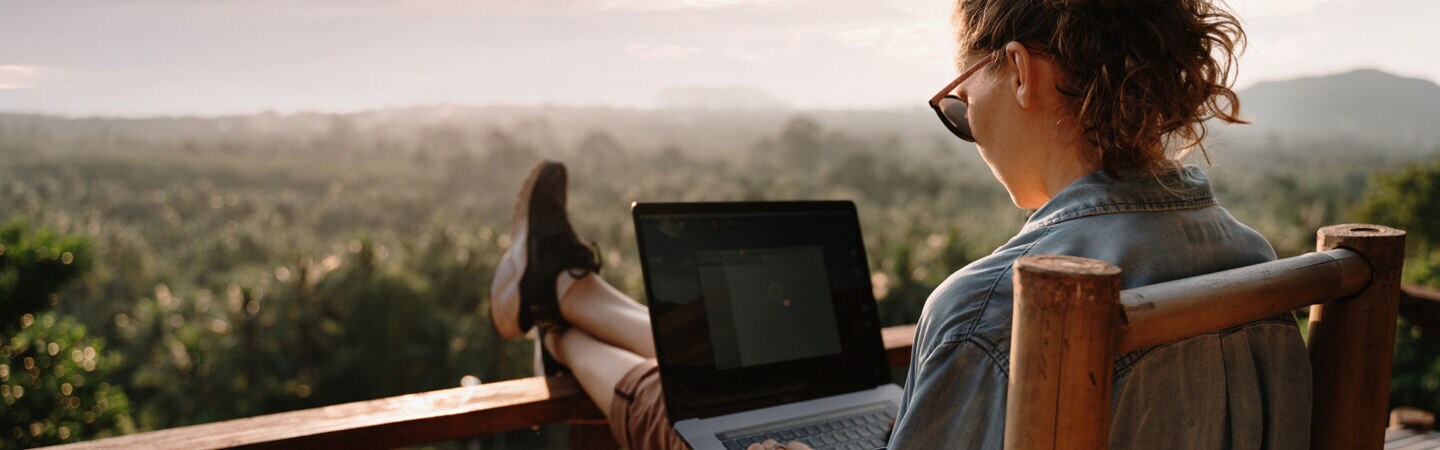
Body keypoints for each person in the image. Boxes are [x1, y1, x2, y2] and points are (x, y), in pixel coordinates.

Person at [485, 0, 1311, 448]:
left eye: (960, 102)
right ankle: (569, 293)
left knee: (674, 407)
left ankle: (558, 315)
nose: (967, 125)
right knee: (735, 382)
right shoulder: (1256, 265)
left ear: (1019, 71)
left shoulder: (998, 308)